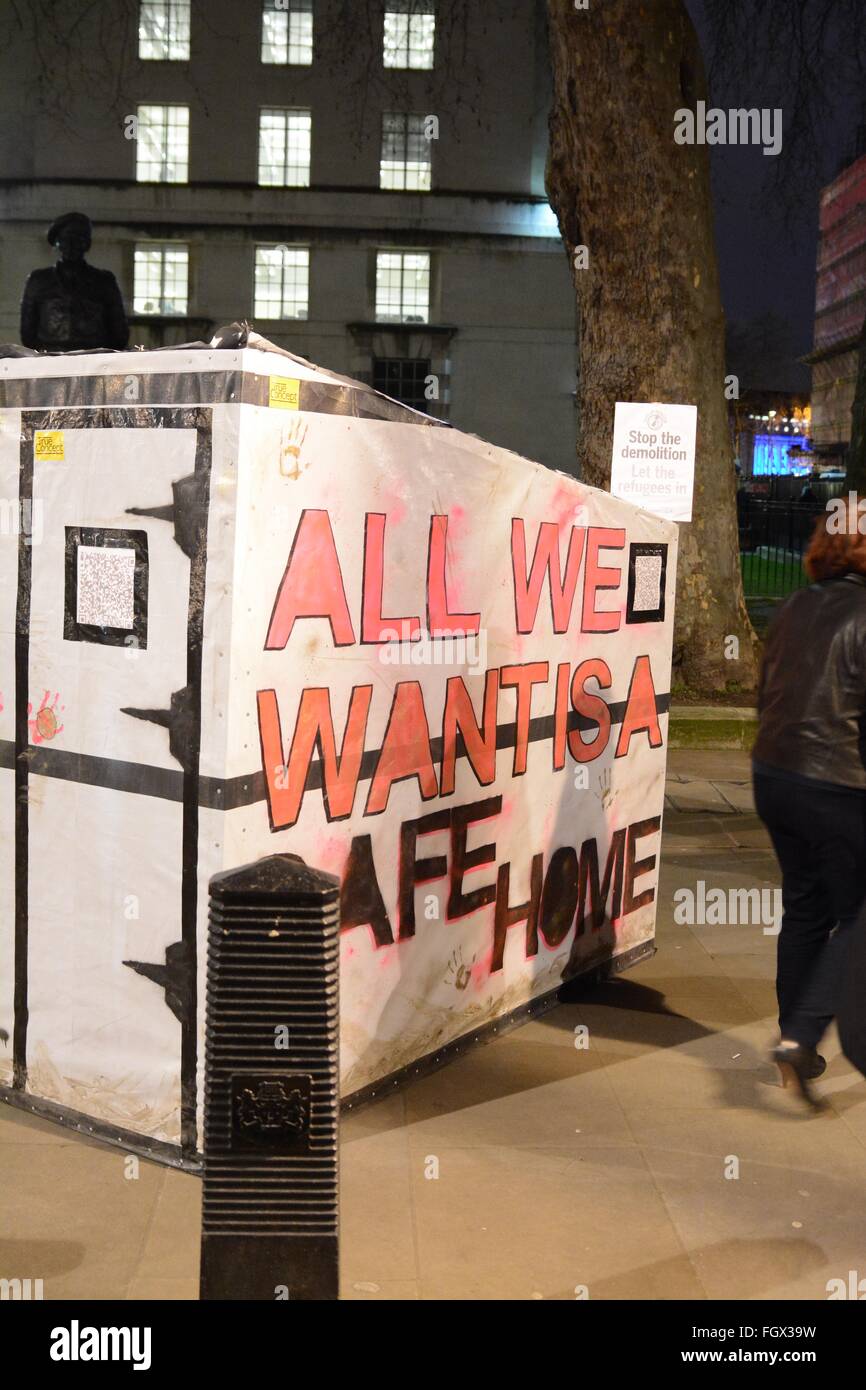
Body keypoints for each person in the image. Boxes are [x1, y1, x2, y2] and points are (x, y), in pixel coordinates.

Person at [752, 497, 866, 1107]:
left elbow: (765, 691)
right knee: (856, 915)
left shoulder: (793, 606)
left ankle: (798, 1051)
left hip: (775, 774)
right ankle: (799, 1037)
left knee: (805, 908)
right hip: (836, 782)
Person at [20, 211, 128, 353]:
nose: (72, 245)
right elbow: (27, 334)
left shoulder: (104, 282)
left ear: (87, 244)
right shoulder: (38, 280)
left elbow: (119, 335)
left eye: (78, 239)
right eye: (66, 239)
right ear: (57, 243)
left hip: (94, 361)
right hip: (49, 360)